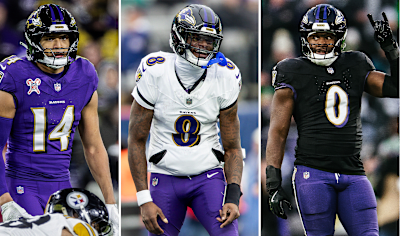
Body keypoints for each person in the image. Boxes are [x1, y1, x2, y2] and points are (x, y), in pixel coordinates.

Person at [265, 4, 398, 236]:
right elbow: (278, 131)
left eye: (327, 36)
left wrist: (391, 49)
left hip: (353, 172)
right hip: (313, 173)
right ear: (305, 38)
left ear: (340, 38)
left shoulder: (355, 64)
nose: (321, 43)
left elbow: (396, 87)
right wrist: (273, 182)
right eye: (315, 36)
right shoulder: (293, 71)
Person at [0, 4, 118, 231]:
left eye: (64, 38)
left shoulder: (84, 74)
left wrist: (111, 202)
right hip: (22, 184)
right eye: (50, 38)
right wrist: (5, 199)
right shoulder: (15, 76)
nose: (59, 45)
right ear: (34, 40)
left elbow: (94, 146)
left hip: (63, 184)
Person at [127, 4, 244, 236]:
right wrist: (143, 199)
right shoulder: (156, 71)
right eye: (196, 38)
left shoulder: (226, 75)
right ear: (178, 35)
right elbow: (136, 139)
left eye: (209, 40)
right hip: (164, 177)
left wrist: (232, 196)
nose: (203, 45)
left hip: (208, 177)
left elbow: (232, 147)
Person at [0, 188, 111, 236]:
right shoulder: (72, 226)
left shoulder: (42, 227)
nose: (96, 231)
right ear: (76, 214)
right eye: (96, 225)